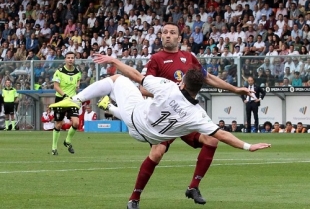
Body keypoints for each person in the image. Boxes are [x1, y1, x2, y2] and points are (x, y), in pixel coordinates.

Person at [50, 23, 266, 209]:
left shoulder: (189, 57)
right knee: (158, 151)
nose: (168, 35)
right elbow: (143, 88)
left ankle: (193, 187)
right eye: (164, 32)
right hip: (162, 114)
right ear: (161, 37)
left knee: (211, 139)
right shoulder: (156, 59)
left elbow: (206, 78)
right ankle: (134, 197)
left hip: (181, 117)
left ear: (179, 38)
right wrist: (170, 95)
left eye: (172, 32)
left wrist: (236, 89)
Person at [51, 51, 81, 155]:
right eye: (68, 58)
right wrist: (64, 95)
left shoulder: (77, 71)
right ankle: (54, 147)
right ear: (65, 59)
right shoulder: (59, 71)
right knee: (59, 124)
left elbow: (78, 80)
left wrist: (77, 85)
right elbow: (56, 86)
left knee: (76, 122)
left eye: (72, 58)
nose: (70, 59)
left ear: (74, 59)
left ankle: (67, 141)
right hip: (61, 99)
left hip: (72, 100)